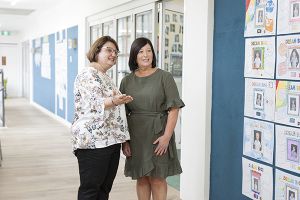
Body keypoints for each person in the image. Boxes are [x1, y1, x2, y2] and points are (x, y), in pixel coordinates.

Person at [120, 37, 184, 200]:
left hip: (159, 134)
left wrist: (167, 137)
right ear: (134, 55)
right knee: (141, 177)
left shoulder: (165, 77)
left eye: (149, 51)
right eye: (141, 51)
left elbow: (174, 109)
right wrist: (124, 141)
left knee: (157, 178)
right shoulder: (126, 81)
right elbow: (121, 114)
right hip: (136, 136)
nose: (145, 55)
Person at [71, 36, 133, 200]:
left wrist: (124, 140)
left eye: (115, 52)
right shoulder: (87, 74)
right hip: (93, 142)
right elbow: (91, 103)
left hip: (110, 141)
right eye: (109, 50)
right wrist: (114, 100)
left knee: (104, 189)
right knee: (90, 190)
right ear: (96, 51)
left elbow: (115, 112)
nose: (113, 54)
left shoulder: (105, 77)